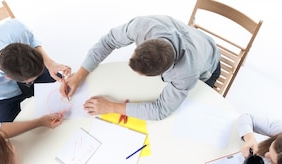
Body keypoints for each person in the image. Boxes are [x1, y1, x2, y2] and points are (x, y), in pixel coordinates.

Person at [60, 15, 221, 120]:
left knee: (185, 115)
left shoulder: (186, 74)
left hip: (208, 66)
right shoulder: (143, 26)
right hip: (194, 37)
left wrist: (111, 107)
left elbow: (161, 110)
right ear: (143, 42)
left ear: (165, 73)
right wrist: (80, 75)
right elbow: (108, 41)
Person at [0, 19, 71, 130]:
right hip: (4, 97)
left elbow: (32, 40)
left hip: (27, 71)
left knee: (68, 91)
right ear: (8, 77)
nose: (30, 84)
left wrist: (50, 64)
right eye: (30, 81)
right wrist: (38, 122)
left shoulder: (17, 30)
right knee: (7, 137)